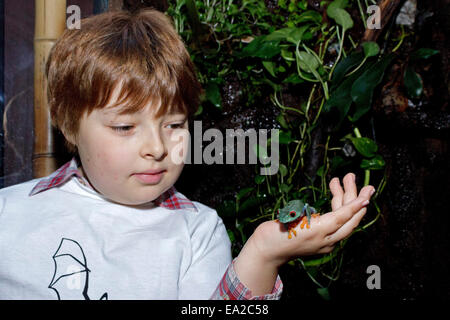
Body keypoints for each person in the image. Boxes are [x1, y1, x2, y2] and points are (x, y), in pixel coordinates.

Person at [0, 9, 375, 300]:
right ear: (68, 126)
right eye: (124, 127)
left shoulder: (198, 231)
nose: (158, 148)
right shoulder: (8, 214)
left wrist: (263, 254)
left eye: (174, 125)